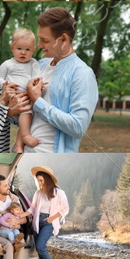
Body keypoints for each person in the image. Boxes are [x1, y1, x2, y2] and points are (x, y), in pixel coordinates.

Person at [24, 8, 98, 152]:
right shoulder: (40, 65)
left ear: (63, 39)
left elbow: (78, 127)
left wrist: (38, 101)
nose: (39, 45)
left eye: (45, 40)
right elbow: (30, 114)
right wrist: (13, 110)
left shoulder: (82, 74)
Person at [27, 169, 67, 259]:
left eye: (41, 180)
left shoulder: (58, 192)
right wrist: (21, 215)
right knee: (40, 249)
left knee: (40, 246)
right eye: (38, 180)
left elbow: (65, 209)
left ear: (47, 180)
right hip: (37, 222)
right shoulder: (38, 193)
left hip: (49, 222)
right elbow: (33, 208)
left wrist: (51, 218)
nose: (40, 183)